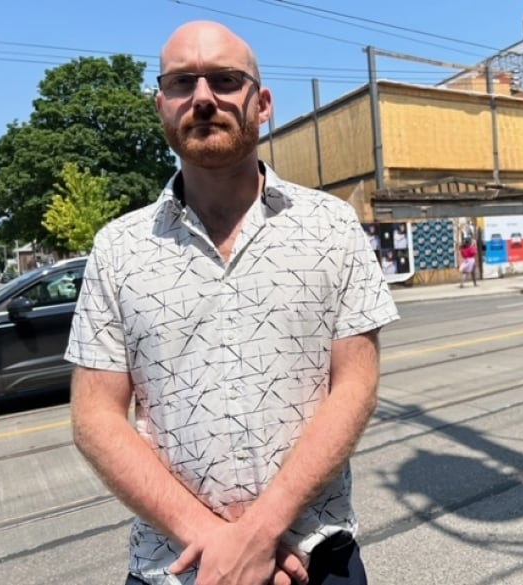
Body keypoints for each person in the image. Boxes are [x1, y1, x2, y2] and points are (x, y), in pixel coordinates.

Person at [66, 20, 399, 585]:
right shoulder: (117, 249)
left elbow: (356, 385)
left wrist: (260, 532)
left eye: (224, 79)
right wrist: (213, 540)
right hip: (174, 567)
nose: (202, 98)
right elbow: (95, 416)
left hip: (312, 560)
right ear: (160, 105)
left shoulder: (331, 227)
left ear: (261, 102)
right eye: (181, 83)